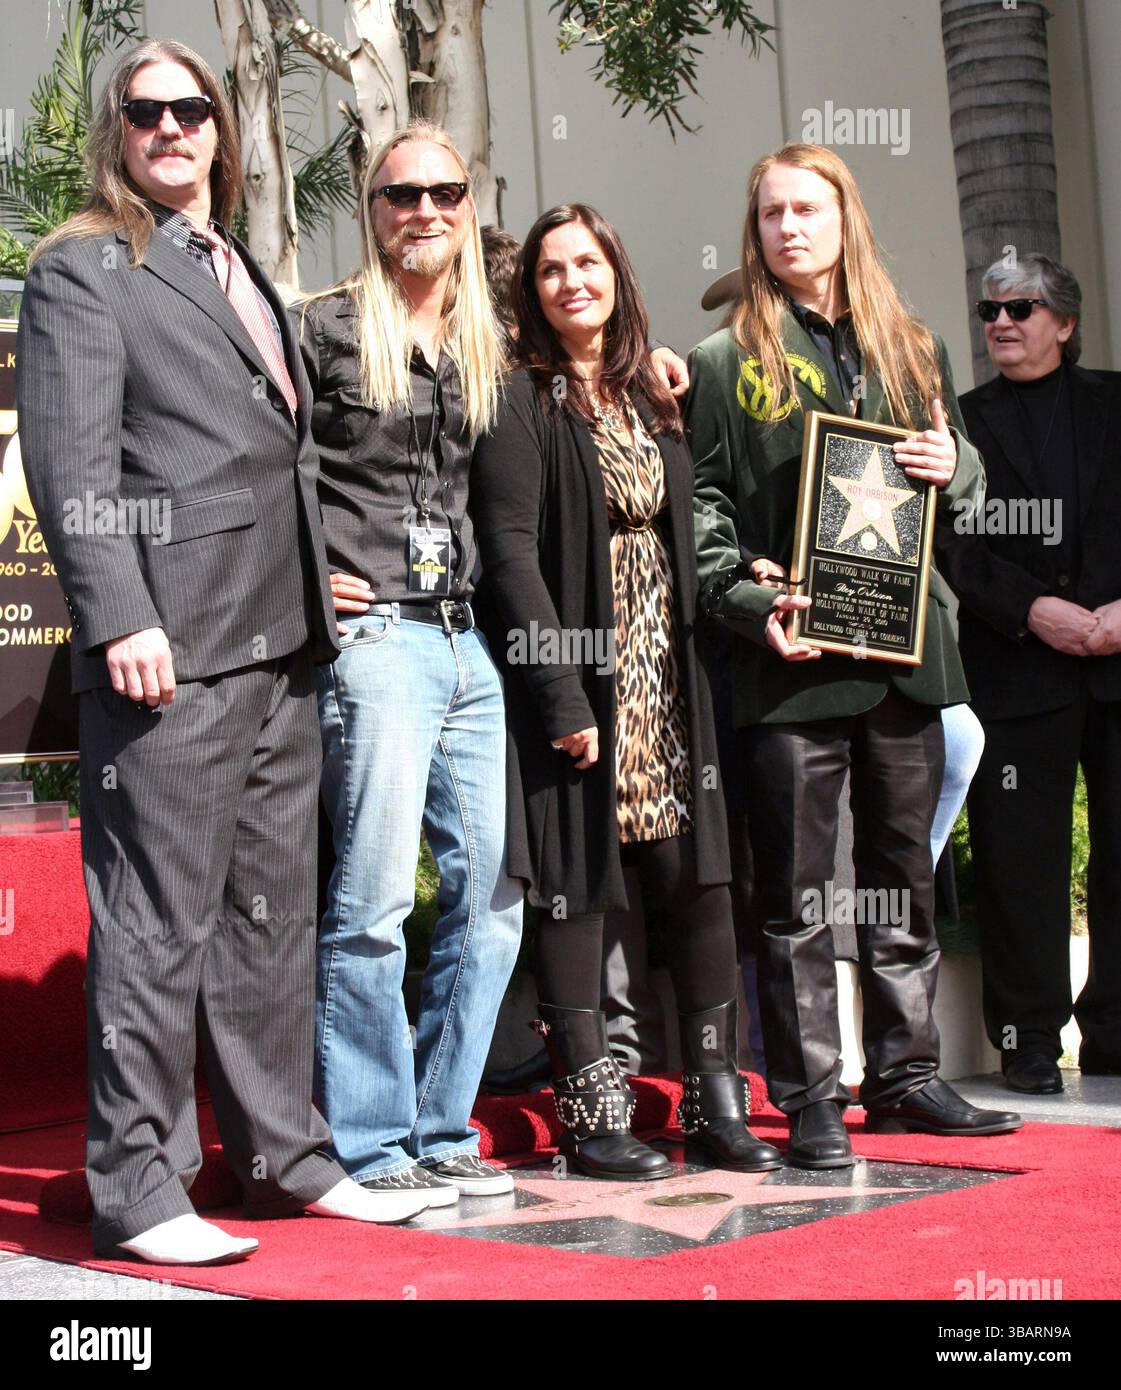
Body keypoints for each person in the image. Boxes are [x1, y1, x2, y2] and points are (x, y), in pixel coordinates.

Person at [15, 41, 430, 1266]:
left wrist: (318, 574)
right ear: (117, 132)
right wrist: (118, 613)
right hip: (171, 648)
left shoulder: (237, 258)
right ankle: (140, 1191)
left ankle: (279, 1157)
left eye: (192, 109)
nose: (174, 128)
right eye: (147, 112)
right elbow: (71, 466)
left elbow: (276, 450)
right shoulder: (85, 267)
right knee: (154, 925)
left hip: (283, 641)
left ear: (217, 128)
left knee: (266, 918)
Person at [687, 143, 1023, 1169]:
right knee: (792, 898)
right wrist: (747, 603)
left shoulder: (912, 343)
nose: (788, 227)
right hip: (788, 657)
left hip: (905, 651)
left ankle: (907, 1074)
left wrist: (950, 462)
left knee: (899, 881)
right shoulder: (719, 358)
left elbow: (957, 471)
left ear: (844, 219)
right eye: (771, 212)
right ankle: (809, 1099)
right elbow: (697, 506)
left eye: (807, 209)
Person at [472, 203, 782, 1180]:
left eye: (588, 263)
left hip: (671, 676)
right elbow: (510, 555)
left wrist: (746, 584)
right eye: (551, 268)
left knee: (696, 884)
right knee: (573, 888)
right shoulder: (518, 401)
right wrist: (558, 693)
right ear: (532, 290)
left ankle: (713, 1102)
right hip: (583, 682)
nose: (571, 281)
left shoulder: (653, 394)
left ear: (616, 274)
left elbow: (688, 528)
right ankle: (591, 1116)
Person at [297, 121, 525, 1204]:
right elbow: (262, 465)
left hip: (464, 637)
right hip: (377, 639)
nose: (422, 210)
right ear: (370, 207)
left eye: (442, 191)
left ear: (467, 206)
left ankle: (440, 1126)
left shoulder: (486, 339)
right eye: (400, 194)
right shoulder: (324, 330)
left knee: (489, 902)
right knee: (374, 901)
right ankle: (369, 1142)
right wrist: (303, 575)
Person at [936, 254, 1121, 1093]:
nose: (1001, 323)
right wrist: (1031, 610)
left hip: (1119, 664)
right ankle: (1028, 1041)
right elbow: (950, 546)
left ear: (1065, 323)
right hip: (1015, 666)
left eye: (1021, 309)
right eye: (989, 311)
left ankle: (1115, 1031)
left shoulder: (1117, 403)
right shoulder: (961, 426)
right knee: (1019, 864)